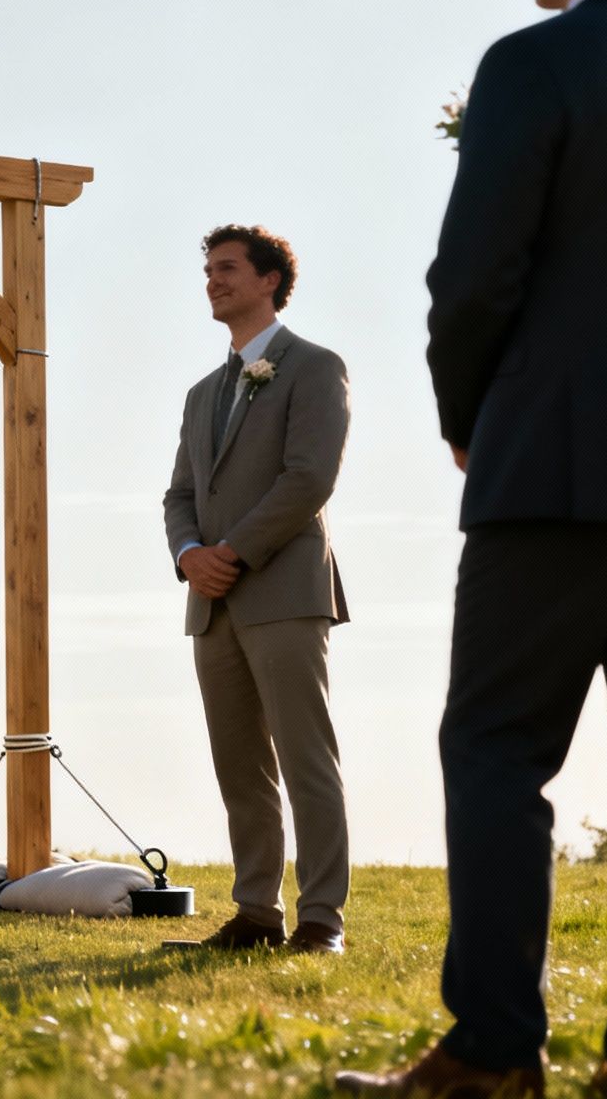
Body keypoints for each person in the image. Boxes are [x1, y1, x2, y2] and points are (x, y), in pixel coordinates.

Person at [335, 0, 607, 1096]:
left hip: (555, 461)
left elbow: (471, 272)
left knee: (494, 747)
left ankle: (490, 1053)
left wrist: (469, 417)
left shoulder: (532, 63)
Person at [163, 224, 353, 955]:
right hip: (211, 604)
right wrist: (189, 556)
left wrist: (231, 553)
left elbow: (310, 477)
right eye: (208, 269)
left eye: (229, 268)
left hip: (284, 590)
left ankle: (321, 921)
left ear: (271, 280)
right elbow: (179, 493)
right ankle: (254, 915)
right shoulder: (200, 393)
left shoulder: (314, 367)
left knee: (307, 760)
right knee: (239, 765)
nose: (214, 280)